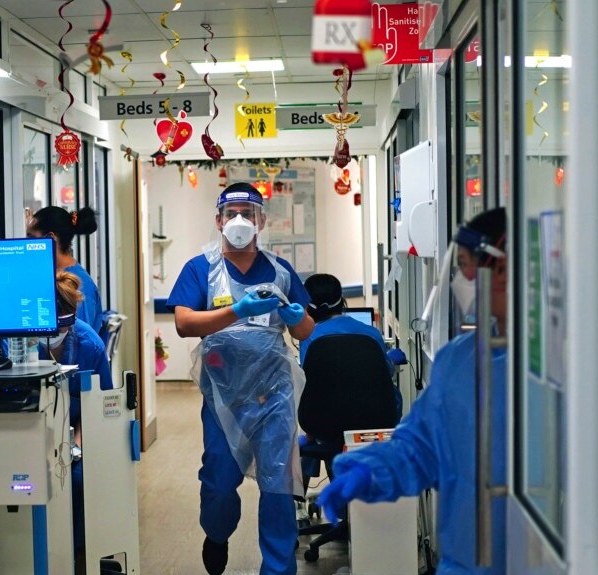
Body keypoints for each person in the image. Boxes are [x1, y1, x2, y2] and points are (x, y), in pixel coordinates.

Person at [317, 207, 508, 575]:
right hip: (467, 562)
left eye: (468, 265)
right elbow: (420, 446)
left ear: (503, 268)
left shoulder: (581, 368)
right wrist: (367, 472)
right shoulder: (460, 361)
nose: (461, 278)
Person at [167, 182, 315, 575]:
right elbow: (183, 323)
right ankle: (216, 534)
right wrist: (238, 309)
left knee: (279, 484)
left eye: (248, 214)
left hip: (274, 396)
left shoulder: (280, 271)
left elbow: (305, 331)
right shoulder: (201, 269)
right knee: (218, 483)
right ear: (218, 221)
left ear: (262, 220)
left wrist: (298, 318)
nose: (239, 221)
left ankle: (279, 568)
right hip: (223, 398)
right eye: (231, 213)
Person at [297, 273, 404, 483]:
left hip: (324, 426)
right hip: (376, 422)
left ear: (307, 305)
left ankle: (306, 486)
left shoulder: (309, 338)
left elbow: (310, 385)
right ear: (342, 299)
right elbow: (385, 373)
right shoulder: (370, 333)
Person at [40, 270, 112, 566]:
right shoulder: (18, 343)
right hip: (33, 428)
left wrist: (76, 446)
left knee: (77, 478)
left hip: (77, 428)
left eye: (64, 325)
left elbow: (99, 406)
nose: (57, 332)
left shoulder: (89, 345)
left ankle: (75, 554)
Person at [27, 205, 104, 335]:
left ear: (50, 238)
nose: (26, 244)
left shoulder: (79, 286)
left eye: (31, 237)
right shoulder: (49, 275)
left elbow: (79, 345)